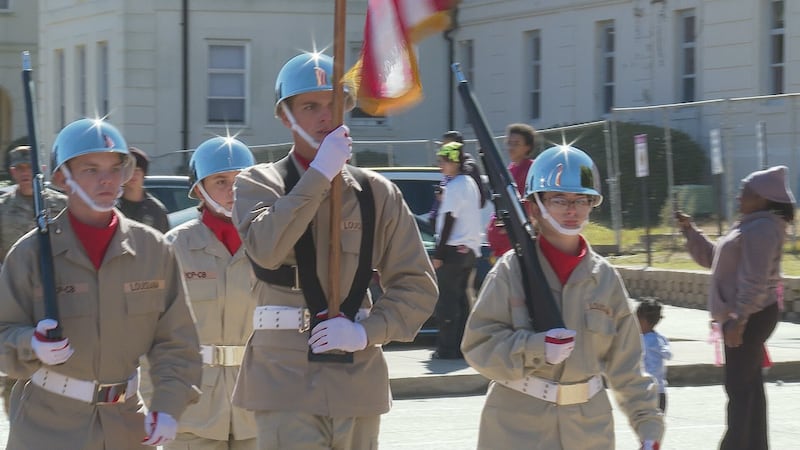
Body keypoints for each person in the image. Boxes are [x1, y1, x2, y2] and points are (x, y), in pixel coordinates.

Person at [231, 52, 437, 449]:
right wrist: (319, 175)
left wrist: (366, 332)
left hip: (356, 378)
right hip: (282, 378)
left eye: (335, 104)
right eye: (310, 106)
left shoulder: (378, 193)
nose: (326, 116)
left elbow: (417, 286)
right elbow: (266, 249)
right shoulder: (260, 183)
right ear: (285, 116)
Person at [0, 118, 202, 449]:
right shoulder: (31, 253)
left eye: (115, 167)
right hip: (47, 426)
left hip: (127, 425)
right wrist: (30, 344)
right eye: (91, 169)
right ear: (62, 178)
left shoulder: (153, 249)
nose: (106, 179)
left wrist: (168, 406)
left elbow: (177, 342)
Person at [461, 145, 663, 450]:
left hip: (588, 429)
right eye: (559, 200)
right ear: (534, 207)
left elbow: (628, 364)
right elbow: (478, 347)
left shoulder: (605, 278)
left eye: (581, 200)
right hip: (517, 428)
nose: (572, 210)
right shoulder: (510, 271)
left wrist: (648, 424)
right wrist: (535, 347)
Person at [676, 165, 795, 450]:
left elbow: (755, 278)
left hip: (751, 316)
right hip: (749, 314)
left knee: (739, 389)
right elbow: (715, 258)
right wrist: (690, 231)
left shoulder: (763, 228)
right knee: (749, 386)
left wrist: (739, 319)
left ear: (762, 198)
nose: (738, 197)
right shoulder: (751, 224)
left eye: (745, 192)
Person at [158, 135, 258, 449]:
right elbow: (154, 335)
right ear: (199, 189)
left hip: (259, 403)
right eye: (220, 181)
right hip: (193, 406)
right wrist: (157, 404)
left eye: (240, 181)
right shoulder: (174, 247)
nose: (232, 191)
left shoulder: (273, 242)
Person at [0, 145, 68, 415]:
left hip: (58, 295)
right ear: (12, 172)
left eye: (29, 167)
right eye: (18, 168)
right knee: (17, 366)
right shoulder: (3, 208)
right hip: (16, 298)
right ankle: (18, 418)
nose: (24, 173)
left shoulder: (58, 204)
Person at [431, 141, 482, 360]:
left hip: (452, 249)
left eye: (443, 161)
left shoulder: (453, 186)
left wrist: (439, 254)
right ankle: (463, 346)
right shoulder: (469, 182)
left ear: (454, 162)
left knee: (447, 301)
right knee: (462, 299)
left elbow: (450, 220)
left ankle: (447, 348)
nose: (440, 165)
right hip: (470, 249)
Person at [486, 123, 537, 258]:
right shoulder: (509, 170)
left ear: (528, 147)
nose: (511, 147)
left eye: (516, 143)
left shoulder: (532, 170)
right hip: (502, 246)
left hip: (517, 244)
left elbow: (531, 205)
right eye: (509, 143)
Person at [118, 146, 170, 233]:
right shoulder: (112, 207)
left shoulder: (156, 210)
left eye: (137, 170)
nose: (132, 174)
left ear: (144, 174)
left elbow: (163, 242)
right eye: (129, 170)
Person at [636, 297, 672, 413]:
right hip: (660, 392)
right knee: (657, 426)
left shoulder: (641, 342)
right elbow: (668, 354)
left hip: (645, 392)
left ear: (643, 321)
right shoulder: (661, 339)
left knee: (644, 426)